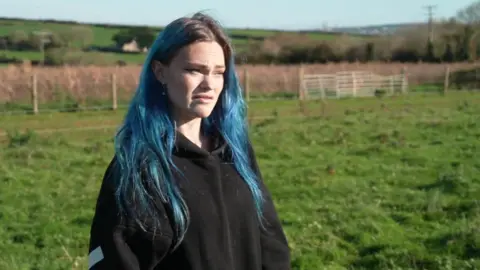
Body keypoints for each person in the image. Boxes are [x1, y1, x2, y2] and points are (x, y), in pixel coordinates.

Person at [88, 12, 291, 270]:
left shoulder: (235, 152)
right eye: (194, 70)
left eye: (218, 73)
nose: (209, 84)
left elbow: (271, 243)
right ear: (160, 71)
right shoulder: (138, 167)